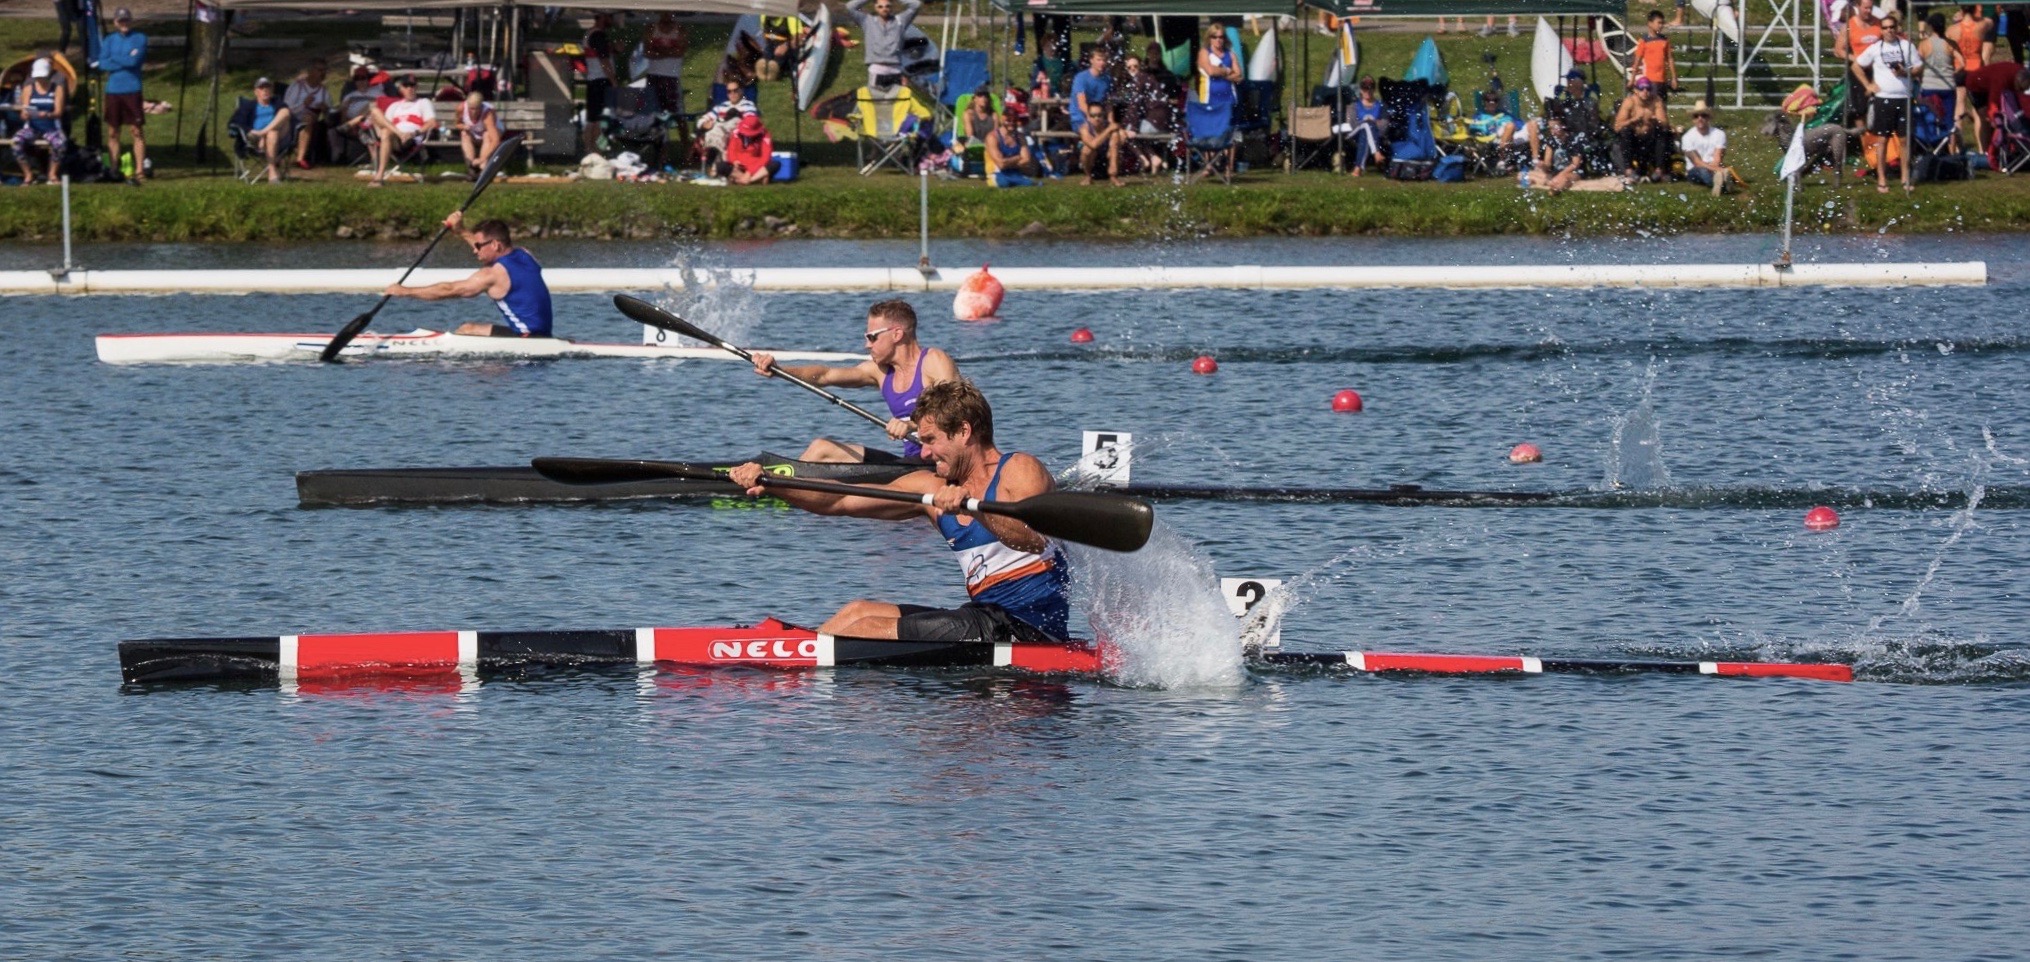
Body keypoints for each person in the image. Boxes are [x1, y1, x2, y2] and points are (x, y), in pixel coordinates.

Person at [725, 378, 1072, 643]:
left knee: (866, 628)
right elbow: (840, 500)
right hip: (984, 616)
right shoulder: (930, 489)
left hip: (1028, 629)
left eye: (932, 440)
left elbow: (1033, 540)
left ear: (964, 432)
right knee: (857, 611)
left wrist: (973, 508)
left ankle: (796, 666)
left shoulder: (1019, 469)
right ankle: (794, 660)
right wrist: (774, 485)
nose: (924, 453)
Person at [747, 299, 960, 464]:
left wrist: (912, 424)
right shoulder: (879, 372)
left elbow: (959, 410)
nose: (867, 345)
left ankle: (782, 489)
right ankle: (784, 490)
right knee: (821, 449)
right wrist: (779, 370)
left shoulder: (933, 361)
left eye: (872, 337)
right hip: (911, 464)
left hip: (943, 464)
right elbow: (824, 376)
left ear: (896, 334)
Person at [383, 212, 553, 338]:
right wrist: (461, 231)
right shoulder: (525, 255)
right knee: (467, 329)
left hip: (527, 340)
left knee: (470, 376)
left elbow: (449, 290)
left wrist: (405, 291)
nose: (474, 250)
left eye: (478, 246)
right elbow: (489, 253)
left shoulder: (491, 275)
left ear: (494, 244)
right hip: (542, 333)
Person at [1854, 12, 1919, 192]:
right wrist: (1868, 84)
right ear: (1881, 30)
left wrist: (1906, 72)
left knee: (1905, 140)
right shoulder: (1875, 48)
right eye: (1885, 28)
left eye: (1892, 27)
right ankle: (1881, 179)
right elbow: (1856, 65)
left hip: (1904, 98)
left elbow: (1919, 67)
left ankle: (1905, 178)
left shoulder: (1907, 46)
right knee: (1881, 140)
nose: (1889, 30)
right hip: (1884, 99)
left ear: (1897, 28)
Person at [100, 7, 148, 186]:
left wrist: (115, 59)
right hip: (113, 90)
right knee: (113, 131)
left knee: (136, 130)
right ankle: (114, 167)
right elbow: (103, 63)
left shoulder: (140, 38)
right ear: (115, 22)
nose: (124, 24)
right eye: (121, 21)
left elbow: (135, 61)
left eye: (126, 20)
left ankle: (139, 169)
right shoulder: (109, 39)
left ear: (131, 21)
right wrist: (124, 59)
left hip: (132, 89)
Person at [368, 74, 437, 186]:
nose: (410, 88)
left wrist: (414, 133)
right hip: (394, 137)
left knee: (386, 131)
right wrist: (397, 132)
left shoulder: (423, 102)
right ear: (401, 88)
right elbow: (385, 125)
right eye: (406, 85)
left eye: (413, 85)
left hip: (411, 139)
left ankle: (379, 176)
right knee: (375, 110)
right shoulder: (394, 106)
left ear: (416, 87)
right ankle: (399, 134)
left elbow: (432, 123)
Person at [1070, 48, 1124, 185]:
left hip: (1100, 117)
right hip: (1082, 118)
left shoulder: (1107, 79)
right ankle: (1088, 175)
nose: (1102, 63)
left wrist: (1111, 123)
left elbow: (1108, 104)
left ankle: (1113, 174)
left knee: (1116, 137)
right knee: (1089, 149)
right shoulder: (1081, 78)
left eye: (1104, 59)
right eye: (1099, 59)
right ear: (1091, 60)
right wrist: (1091, 119)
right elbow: (1081, 102)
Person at [846, 0, 924, 90]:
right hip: (876, 68)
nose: (884, 9)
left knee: (896, 100)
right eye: (880, 7)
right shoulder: (867, 21)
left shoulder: (900, 21)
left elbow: (916, 5)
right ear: (875, 8)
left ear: (891, 8)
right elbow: (850, 6)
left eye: (887, 6)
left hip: (895, 69)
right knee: (876, 99)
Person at [11, 59, 66, 185]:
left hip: (51, 127)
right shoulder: (29, 89)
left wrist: (47, 114)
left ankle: (52, 174)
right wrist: (25, 114)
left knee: (60, 143)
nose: (40, 79)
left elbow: (58, 112)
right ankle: (28, 174)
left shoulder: (56, 89)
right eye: (38, 77)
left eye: (42, 76)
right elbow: (23, 111)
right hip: (33, 127)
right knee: (16, 142)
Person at [230, 77, 293, 184]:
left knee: (284, 113)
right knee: (272, 134)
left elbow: (286, 113)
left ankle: (264, 134)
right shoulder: (248, 106)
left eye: (267, 87)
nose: (265, 90)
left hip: (278, 139)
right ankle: (272, 173)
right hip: (256, 140)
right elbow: (236, 122)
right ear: (256, 92)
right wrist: (251, 131)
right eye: (261, 88)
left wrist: (263, 133)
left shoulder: (277, 103)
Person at [1612, 77, 1672, 182]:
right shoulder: (1629, 102)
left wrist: (1655, 120)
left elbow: (1665, 124)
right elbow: (1617, 127)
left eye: (1648, 89)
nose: (1645, 91)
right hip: (1634, 141)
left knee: (1661, 130)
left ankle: (1659, 171)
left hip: (1649, 140)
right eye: (1642, 88)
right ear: (1636, 90)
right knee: (1626, 130)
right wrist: (1633, 120)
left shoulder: (1656, 101)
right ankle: (1629, 170)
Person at [283, 60, 330, 171]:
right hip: (292, 117)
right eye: (319, 70)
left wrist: (325, 109)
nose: (322, 73)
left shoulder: (324, 92)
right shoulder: (297, 87)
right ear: (311, 71)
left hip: (311, 120)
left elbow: (329, 114)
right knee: (306, 118)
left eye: (324, 70)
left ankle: (300, 158)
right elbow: (285, 108)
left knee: (308, 118)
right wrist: (303, 104)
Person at [582, 12, 616, 154]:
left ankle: (590, 151)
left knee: (593, 119)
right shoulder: (598, 35)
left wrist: (615, 50)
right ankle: (596, 152)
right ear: (603, 16)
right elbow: (603, 61)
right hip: (601, 80)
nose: (612, 20)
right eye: (610, 16)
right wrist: (613, 81)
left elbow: (599, 54)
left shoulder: (591, 34)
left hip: (594, 80)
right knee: (599, 119)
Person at [1341, 76, 1388, 175]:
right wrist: (1372, 122)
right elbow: (1351, 125)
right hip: (1354, 135)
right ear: (1361, 90)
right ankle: (1377, 153)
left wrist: (1370, 124)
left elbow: (1384, 126)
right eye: (1365, 88)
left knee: (1365, 132)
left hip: (1373, 135)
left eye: (1370, 87)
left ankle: (1357, 169)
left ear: (1374, 89)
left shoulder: (1381, 106)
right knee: (1367, 124)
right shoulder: (1354, 106)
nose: (1367, 90)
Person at [1525, 112, 1584, 192]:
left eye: (1554, 128)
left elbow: (1575, 164)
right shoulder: (1551, 141)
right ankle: (1552, 183)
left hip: (1572, 172)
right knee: (1523, 175)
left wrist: (1561, 174)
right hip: (1556, 173)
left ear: (1563, 126)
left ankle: (1553, 187)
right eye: (1550, 128)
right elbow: (1548, 164)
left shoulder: (1573, 140)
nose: (1552, 132)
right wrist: (1543, 165)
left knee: (1564, 179)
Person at [1680, 100, 1730, 193]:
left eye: (1703, 115)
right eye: (1696, 116)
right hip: (1695, 170)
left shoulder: (1719, 134)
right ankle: (1721, 183)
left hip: (1714, 168)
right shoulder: (1687, 137)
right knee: (1702, 171)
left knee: (1707, 172)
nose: (1700, 118)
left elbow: (1718, 158)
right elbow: (1696, 162)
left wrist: (1714, 168)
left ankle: (1719, 183)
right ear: (1693, 119)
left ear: (1708, 118)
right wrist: (1716, 170)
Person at [643, 12, 688, 113]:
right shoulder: (651, 28)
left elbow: (680, 52)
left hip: (671, 75)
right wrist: (670, 51)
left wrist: (658, 50)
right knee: (653, 110)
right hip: (653, 75)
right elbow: (647, 52)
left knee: (677, 112)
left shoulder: (680, 30)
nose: (667, 15)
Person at [984, 108, 1041, 187]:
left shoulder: (1020, 137)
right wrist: (1018, 157)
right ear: (1002, 119)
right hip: (996, 174)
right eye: (1008, 120)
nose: (1011, 123)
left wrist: (1007, 162)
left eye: (1014, 120)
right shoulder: (993, 137)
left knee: (1033, 184)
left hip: (1015, 173)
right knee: (1003, 183)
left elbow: (1026, 160)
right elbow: (1001, 164)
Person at [718, 111, 778, 184]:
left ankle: (747, 180)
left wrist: (750, 172)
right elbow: (731, 151)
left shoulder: (765, 135)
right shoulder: (736, 133)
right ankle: (754, 180)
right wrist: (734, 161)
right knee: (721, 166)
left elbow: (766, 157)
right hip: (739, 166)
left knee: (775, 164)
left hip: (756, 165)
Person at [455, 90, 504, 177]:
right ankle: (471, 166)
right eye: (471, 109)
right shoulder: (461, 108)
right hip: (475, 133)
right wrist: (463, 126)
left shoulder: (487, 114)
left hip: (490, 134)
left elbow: (495, 140)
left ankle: (483, 167)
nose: (473, 112)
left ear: (481, 106)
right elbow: (457, 124)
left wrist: (482, 158)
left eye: (476, 109)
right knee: (464, 134)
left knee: (487, 135)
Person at [1631, 10, 1679, 98]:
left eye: (1662, 23)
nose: (1661, 25)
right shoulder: (1644, 41)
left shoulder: (1664, 40)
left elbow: (1670, 59)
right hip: (1649, 80)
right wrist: (1633, 78)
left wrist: (1674, 77)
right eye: (1659, 23)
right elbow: (1637, 61)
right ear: (1650, 23)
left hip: (1662, 80)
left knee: (1662, 107)